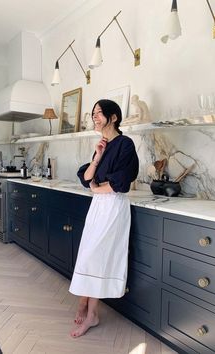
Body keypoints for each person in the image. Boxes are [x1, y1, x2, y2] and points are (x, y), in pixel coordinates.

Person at [69, 99, 139, 338]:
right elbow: (87, 176)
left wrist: (97, 188)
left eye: (98, 113)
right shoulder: (103, 144)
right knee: (87, 253)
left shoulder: (125, 144)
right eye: (93, 114)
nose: (94, 117)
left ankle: (91, 313)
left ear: (114, 117)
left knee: (96, 256)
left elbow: (122, 181)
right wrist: (98, 156)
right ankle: (84, 304)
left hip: (113, 207)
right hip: (98, 206)